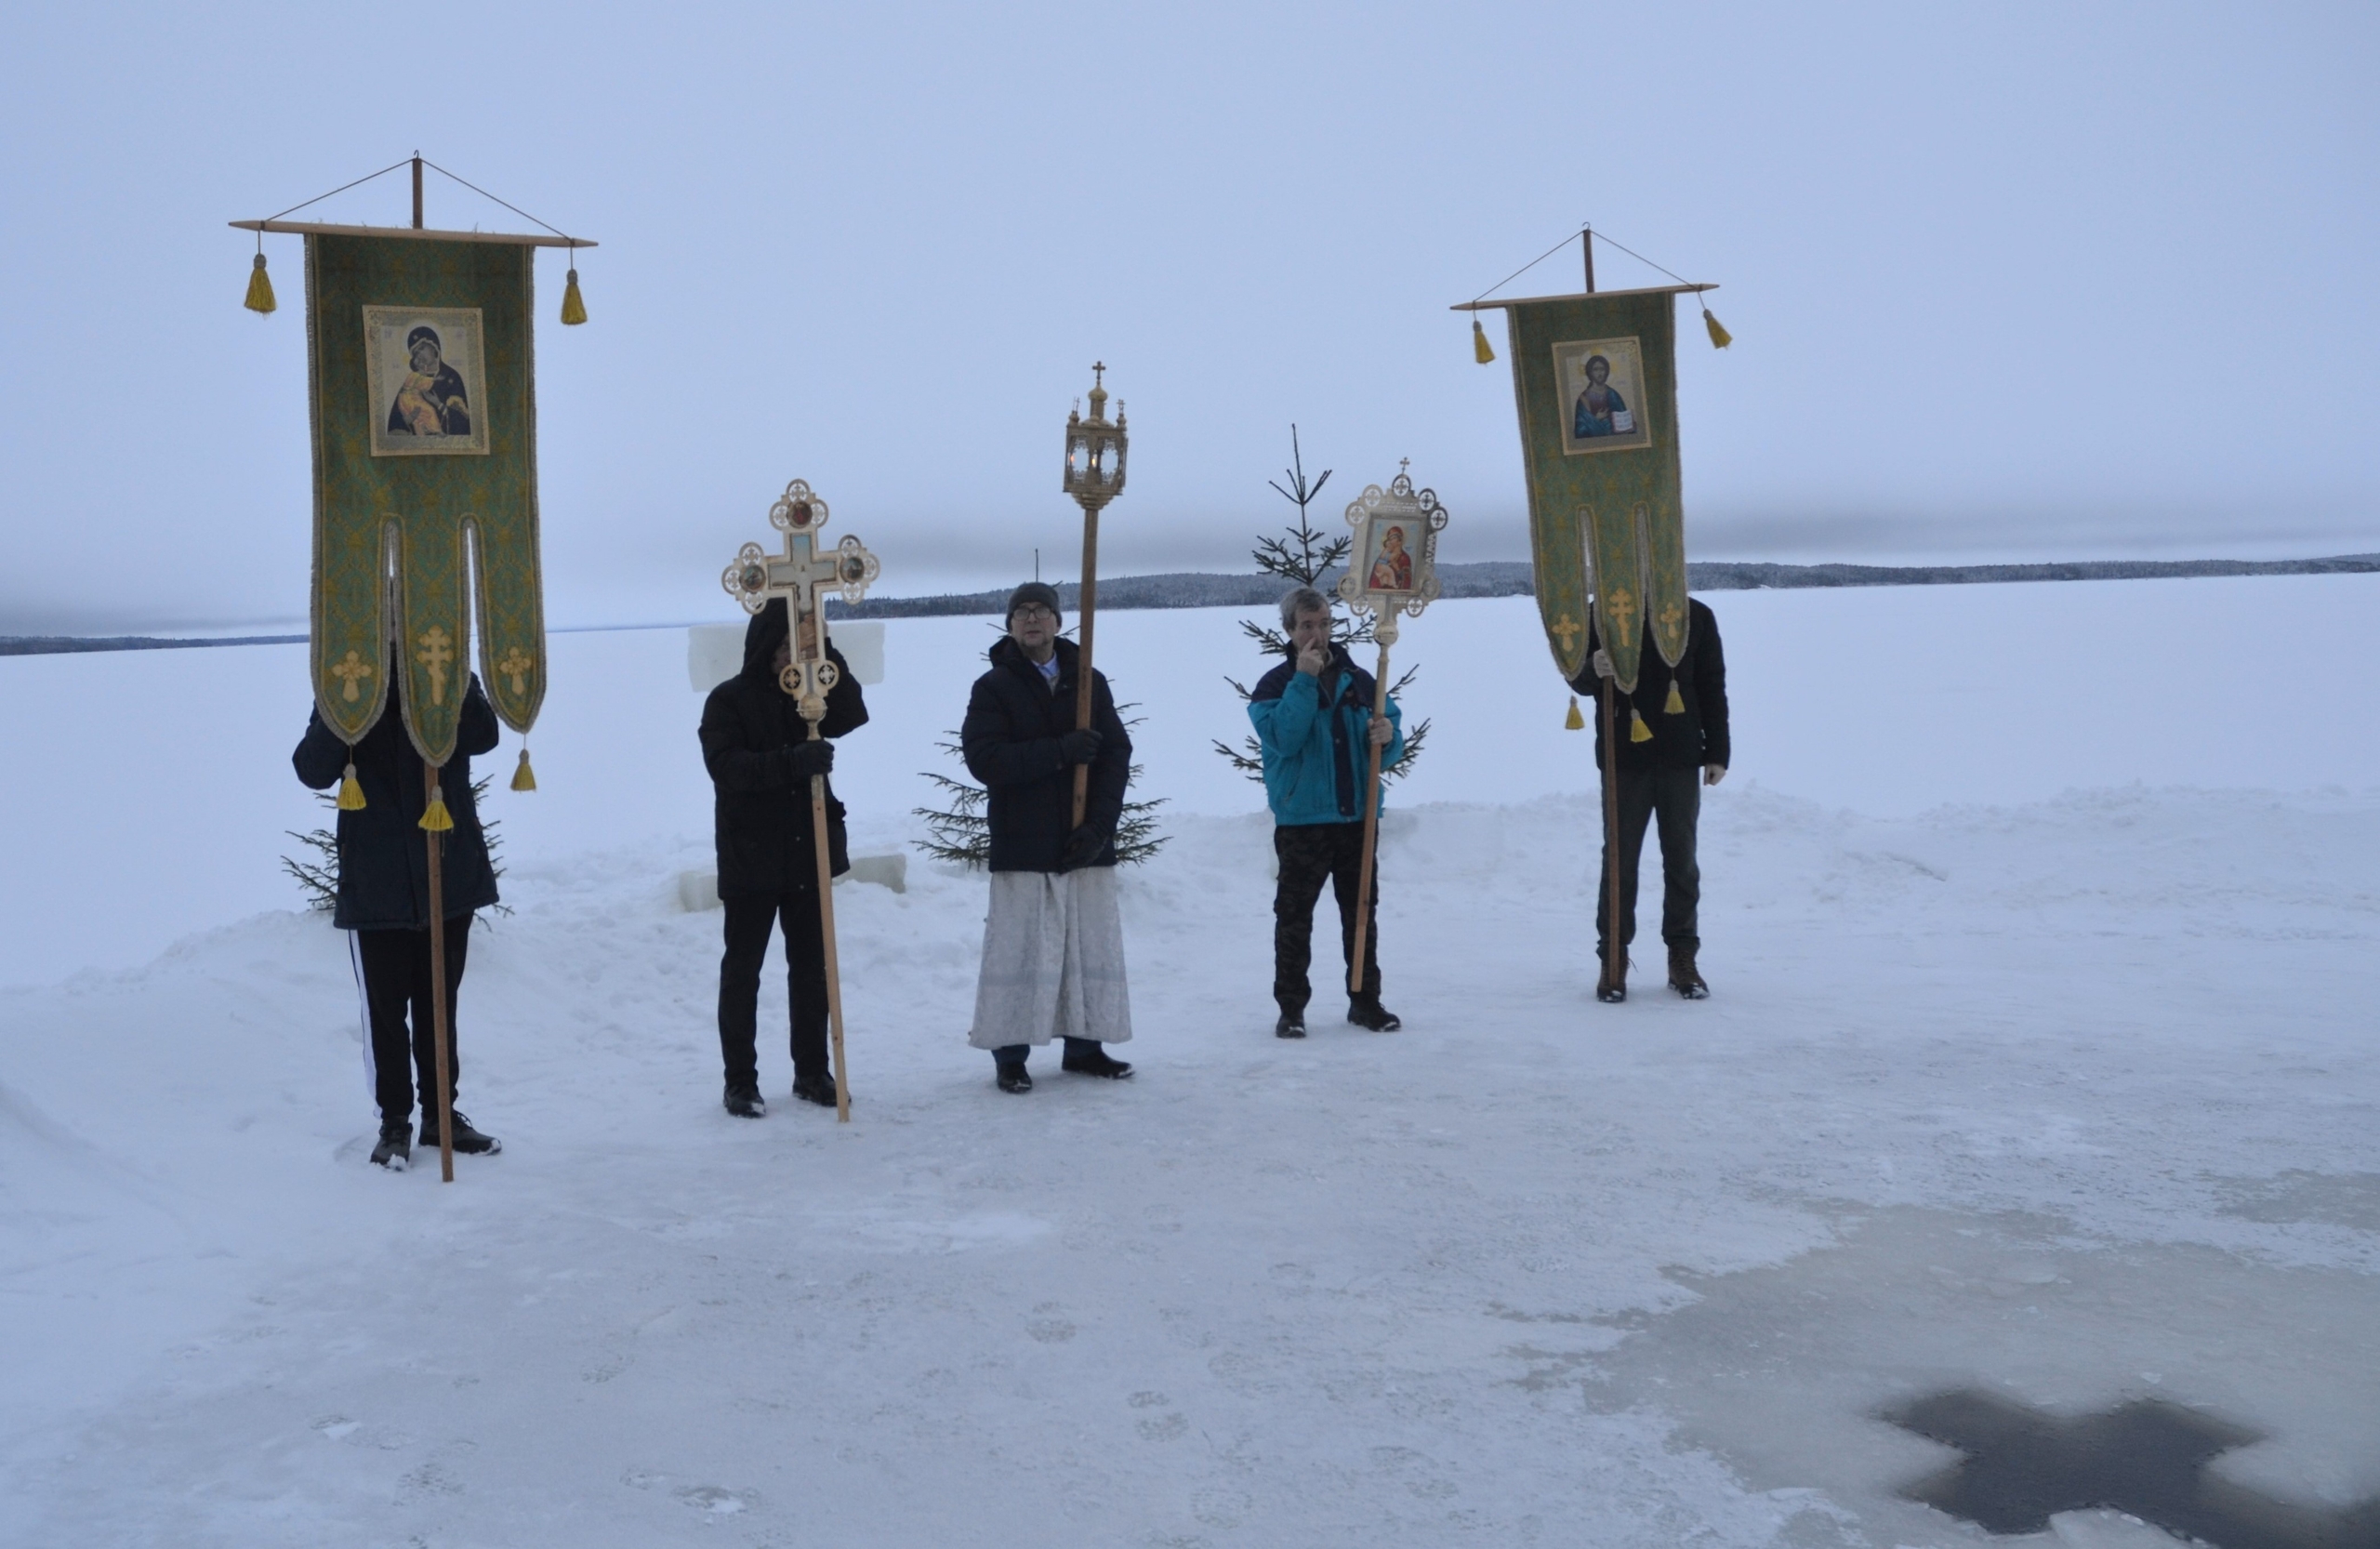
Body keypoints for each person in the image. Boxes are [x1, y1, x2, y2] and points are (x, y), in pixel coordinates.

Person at [292, 656, 504, 1171]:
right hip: (377, 879)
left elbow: (484, 736)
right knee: (386, 1013)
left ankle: (440, 1114)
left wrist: (452, 683)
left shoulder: (446, 664)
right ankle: (394, 1121)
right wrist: (345, 710)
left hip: (447, 868)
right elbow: (312, 769)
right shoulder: (348, 676)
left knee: (439, 1002)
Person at [960, 582, 1135, 1092]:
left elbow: (1115, 756)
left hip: (1085, 840)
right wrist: (1060, 752)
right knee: (1020, 951)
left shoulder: (1088, 681)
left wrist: (1099, 828)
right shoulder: (993, 687)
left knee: (1085, 947)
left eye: (1042, 610)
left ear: (1058, 621)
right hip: (1023, 840)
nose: (1032, 619)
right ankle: (1010, 1055)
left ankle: (1085, 1048)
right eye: (1022, 612)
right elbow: (986, 760)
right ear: (1010, 625)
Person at [699, 597, 868, 1118]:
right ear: (762, 647)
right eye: (785, 645)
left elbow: (852, 713)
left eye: (800, 645)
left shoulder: (812, 693)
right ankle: (740, 1081)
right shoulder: (727, 700)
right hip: (750, 855)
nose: (791, 655)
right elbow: (728, 767)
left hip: (807, 849)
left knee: (812, 969)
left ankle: (812, 1072)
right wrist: (792, 762)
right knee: (743, 972)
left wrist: (826, 651)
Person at [1249, 587, 1405, 1038]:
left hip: (1356, 818)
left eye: (1324, 624)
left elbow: (1390, 744)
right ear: (1290, 630)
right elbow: (1285, 738)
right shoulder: (1273, 686)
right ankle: (1292, 1009)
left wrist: (1387, 738)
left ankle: (1365, 1001)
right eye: (1306, 626)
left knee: (1361, 913)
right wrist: (1303, 680)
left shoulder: (1361, 679)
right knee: (1294, 918)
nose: (1317, 634)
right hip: (1303, 820)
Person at [1568, 596, 1729, 1001]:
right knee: (1619, 859)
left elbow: (1711, 684)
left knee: (1681, 858)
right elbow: (1576, 677)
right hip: (1624, 756)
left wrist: (1717, 751)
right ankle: (1613, 957)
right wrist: (1592, 669)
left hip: (1680, 754)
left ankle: (1682, 956)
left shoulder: (1695, 615)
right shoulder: (1601, 613)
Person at [389, 325, 471, 437]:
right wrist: (410, 418)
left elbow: (462, 420)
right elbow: (396, 422)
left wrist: (438, 404)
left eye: (422, 348)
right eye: (416, 353)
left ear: (434, 346)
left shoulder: (451, 377)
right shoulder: (413, 381)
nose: (419, 355)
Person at [1572, 353, 1633, 440]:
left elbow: (1623, 421)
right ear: (1590, 372)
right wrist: (1595, 419)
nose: (1599, 373)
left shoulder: (1613, 394)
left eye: (1602, 369)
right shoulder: (1583, 398)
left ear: (1606, 372)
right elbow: (1580, 430)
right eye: (1595, 369)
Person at [1367, 525, 1413, 591]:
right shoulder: (1384, 555)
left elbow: (1407, 580)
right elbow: (1374, 579)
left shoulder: (1404, 558)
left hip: (1396, 593)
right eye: (1389, 539)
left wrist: (1397, 569)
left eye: (1393, 538)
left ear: (1399, 541)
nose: (1391, 541)